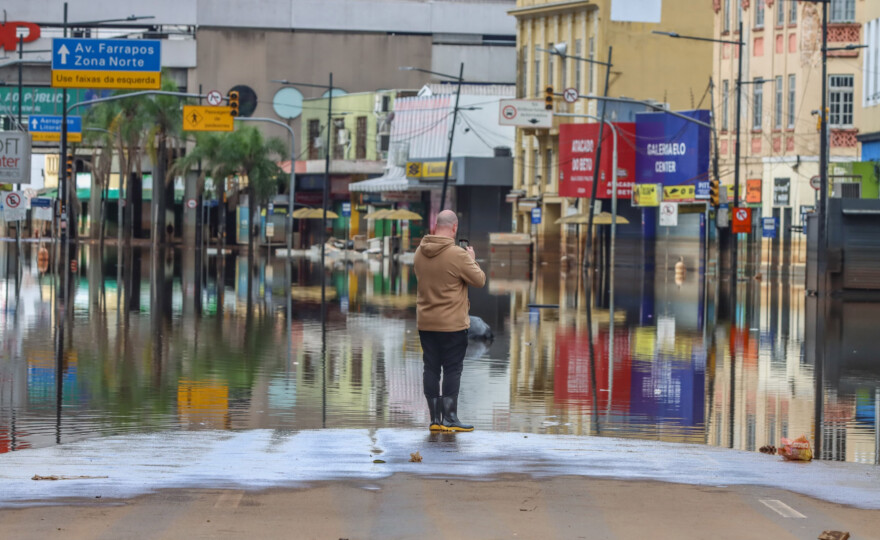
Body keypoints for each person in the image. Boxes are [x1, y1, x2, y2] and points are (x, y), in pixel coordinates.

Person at [413, 209, 486, 432]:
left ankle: (435, 420)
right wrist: (471, 260)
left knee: (431, 368)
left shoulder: (419, 251)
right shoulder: (458, 254)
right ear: (454, 228)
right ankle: (451, 418)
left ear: (436, 225)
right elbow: (479, 280)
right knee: (452, 369)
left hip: (426, 323)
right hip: (452, 325)